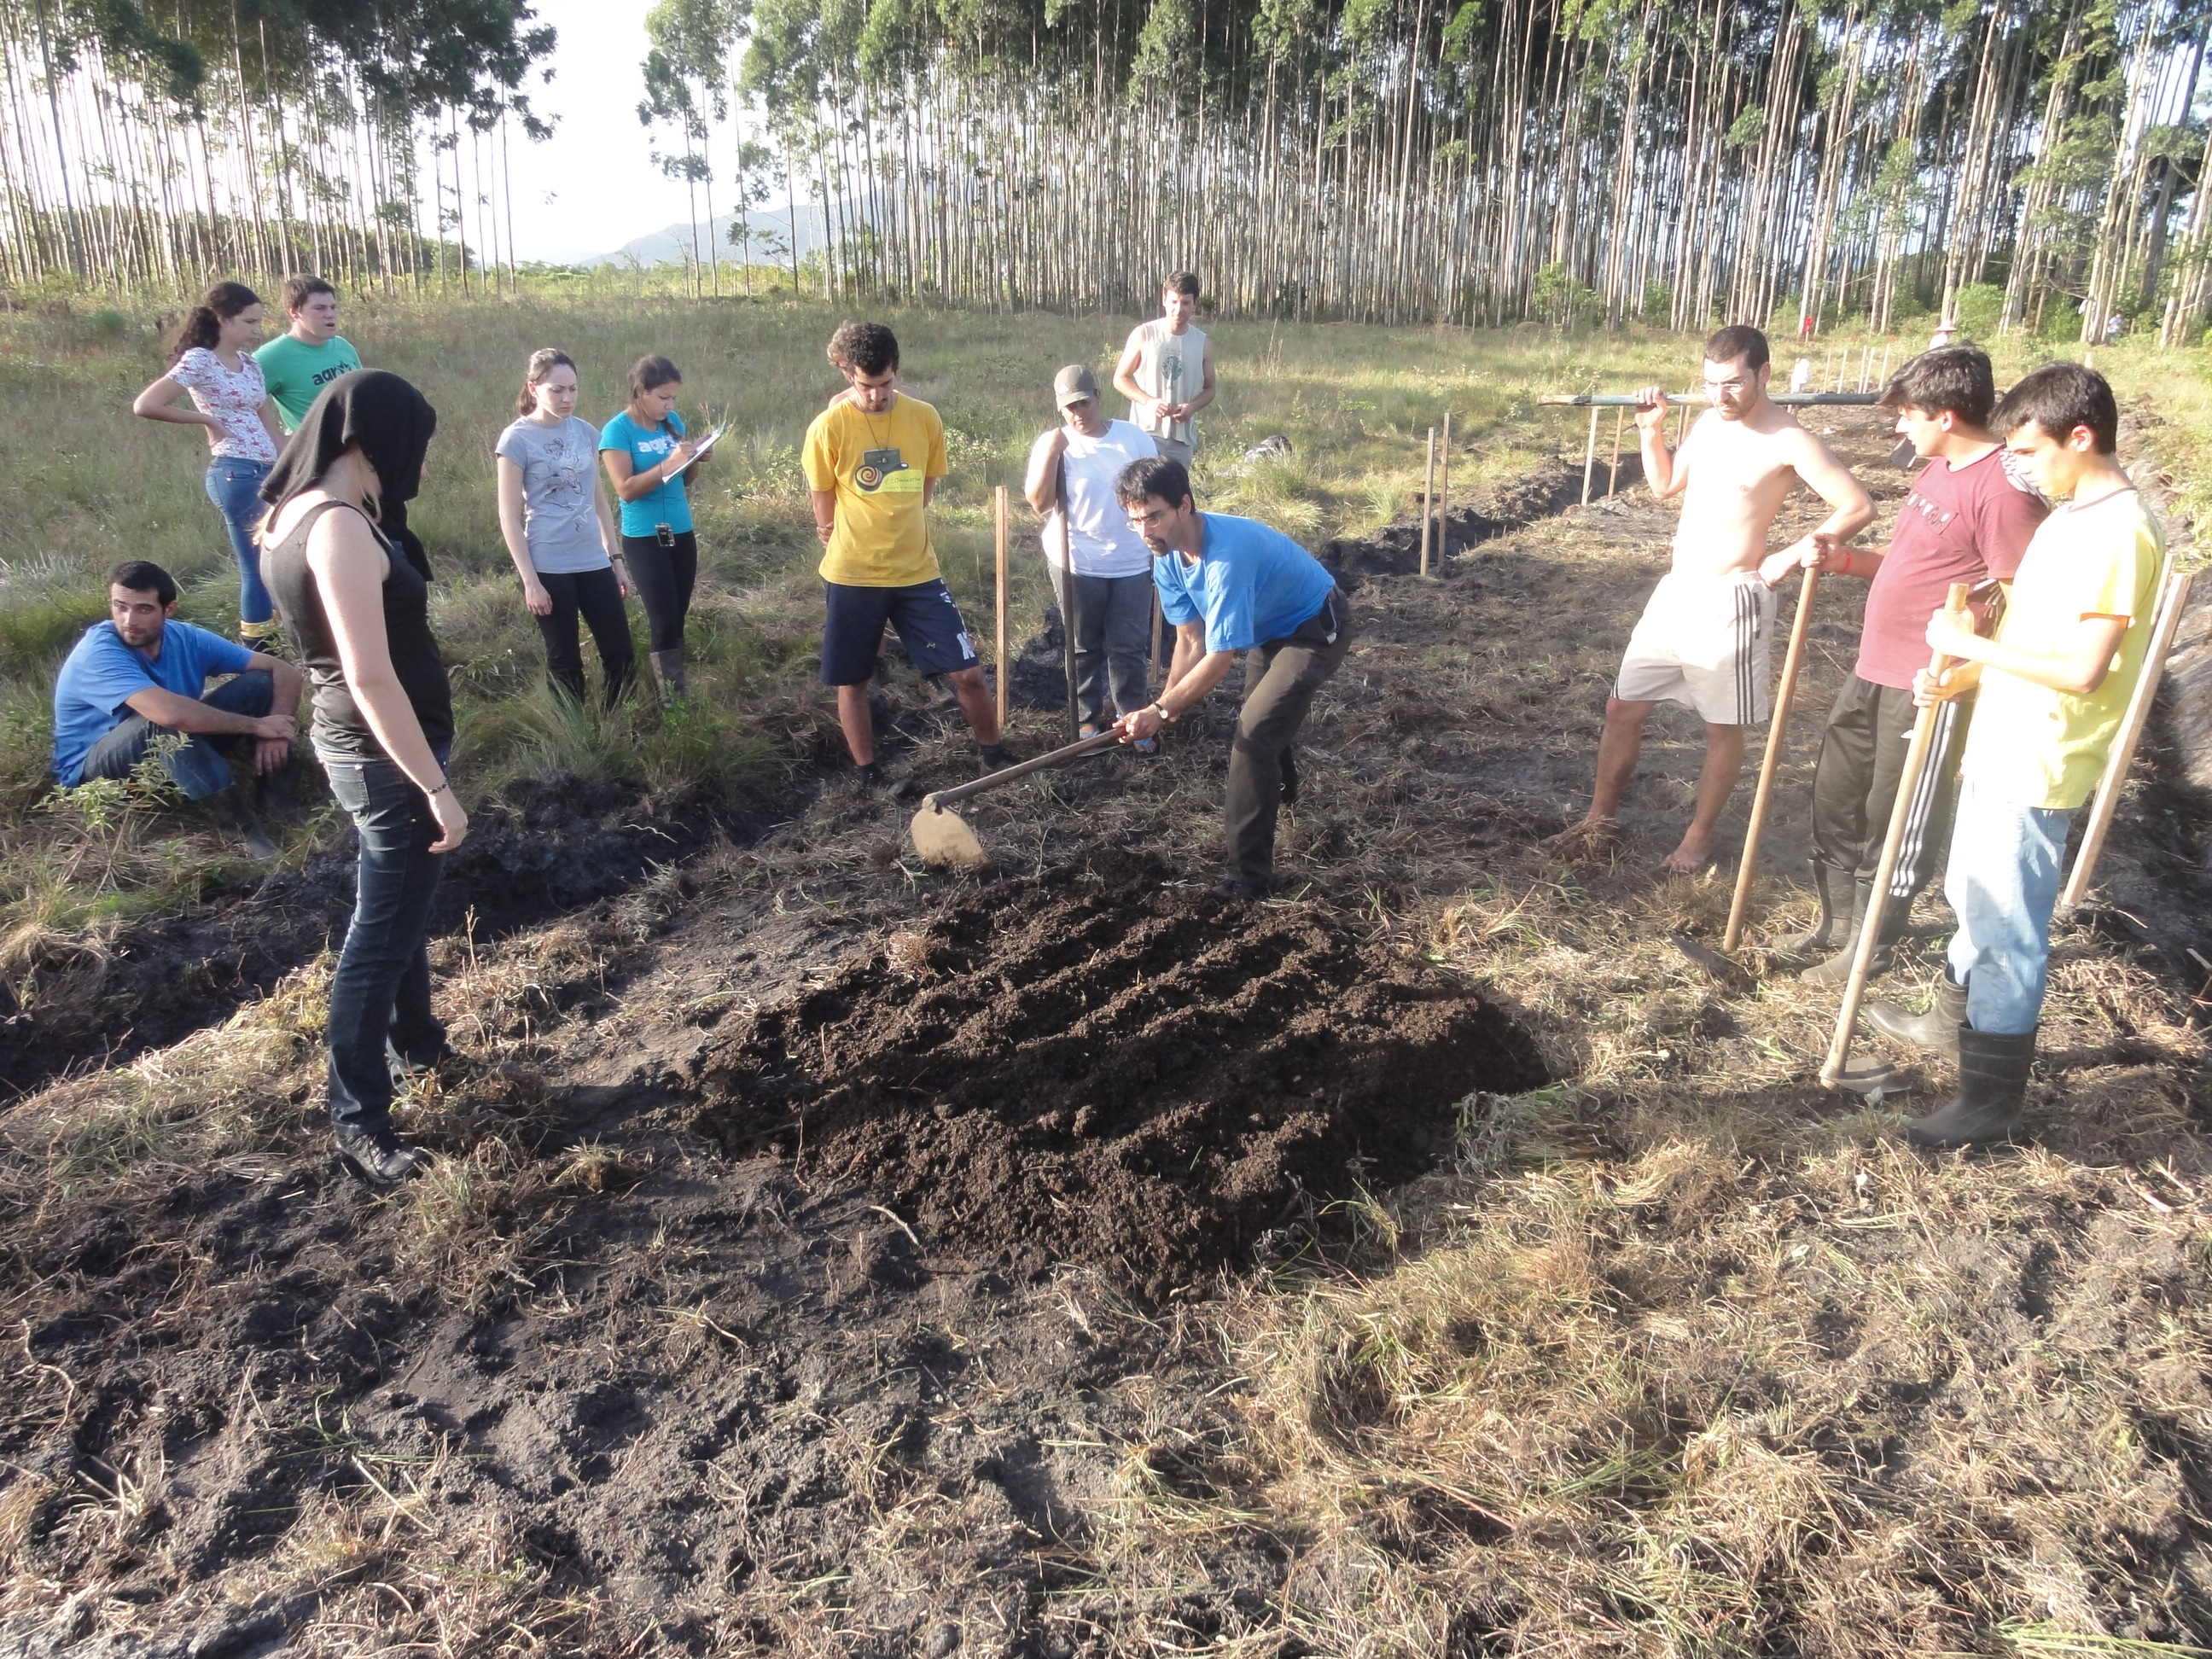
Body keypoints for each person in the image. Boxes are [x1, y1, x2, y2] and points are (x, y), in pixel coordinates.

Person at [1860, 364, 2168, 1148]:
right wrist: (1962, 674)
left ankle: (1989, 1103)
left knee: (2007, 928)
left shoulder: (2120, 533)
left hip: (2042, 755)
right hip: (2001, 739)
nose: (2018, 468)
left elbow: (2083, 668)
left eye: (2029, 453)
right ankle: (1948, 1023)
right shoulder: (2070, 516)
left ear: (2081, 437)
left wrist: (1963, 641)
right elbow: (2031, 639)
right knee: (1972, 897)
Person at [1540, 324, 1876, 873]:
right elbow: (1665, 486)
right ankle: (1600, 817)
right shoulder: (1707, 422)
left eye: (1734, 384)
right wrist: (1651, 432)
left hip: (1732, 601)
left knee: (1721, 728)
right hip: (1676, 593)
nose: (1721, 395)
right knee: (1621, 709)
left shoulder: (1789, 440)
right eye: (1711, 383)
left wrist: (1788, 557)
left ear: (1764, 374)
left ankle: (1697, 837)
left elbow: (1858, 507)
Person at [1780, 346, 2045, 984]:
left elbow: (2022, 604)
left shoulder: (2004, 491)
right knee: (1837, 798)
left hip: (1929, 685)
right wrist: (1845, 560)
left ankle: (1873, 942)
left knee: (1895, 816)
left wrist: (1963, 674)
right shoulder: (1937, 471)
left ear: (1947, 415)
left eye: (1908, 415)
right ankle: (1837, 924)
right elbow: (1911, 562)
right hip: (1873, 666)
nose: (1900, 427)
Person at [259, 370, 463, 1185]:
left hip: (355, 748)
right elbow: (369, 674)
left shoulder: (286, 514)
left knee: (402, 913)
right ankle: (359, 1121)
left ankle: (419, 1047)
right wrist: (434, 787)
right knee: (377, 939)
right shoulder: (338, 527)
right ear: (363, 439)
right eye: (409, 441)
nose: (413, 459)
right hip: (383, 757)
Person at [1111, 455, 1349, 900]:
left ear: (1184, 505)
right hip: (1268, 630)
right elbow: (1189, 641)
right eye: (1135, 521)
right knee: (1264, 719)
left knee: (1254, 733)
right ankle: (1279, 793)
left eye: (1154, 517)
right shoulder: (1166, 555)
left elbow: (1219, 659)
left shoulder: (1226, 555)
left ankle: (1248, 877)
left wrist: (1162, 710)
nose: (1145, 532)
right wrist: (1165, 703)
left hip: (1314, 627)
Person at [803, 321, 1009, 783]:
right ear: (846, 375)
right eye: (865, 386)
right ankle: (868, 773)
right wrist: (828, 528)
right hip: (853, 573)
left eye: (885, 384)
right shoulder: (828, 427)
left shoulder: (924, 417)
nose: (876, 396)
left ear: (897, 371)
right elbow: (822, 498)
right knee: (853, 680)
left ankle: (994, 754)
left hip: (917, 572)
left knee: (969, 673)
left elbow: (925, 490)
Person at [51, 559, 303, 860]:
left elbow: (285, 672)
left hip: (168, 746)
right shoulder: (98, 651)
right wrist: (256, 725)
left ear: (168, 610)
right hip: (96, 772)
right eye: (120, 607)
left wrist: (275, 733)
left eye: (143, 609)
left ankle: (277, 803)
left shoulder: (185, 637)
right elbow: (169, 715)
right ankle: (244, 834)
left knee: (261, 683)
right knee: (161, 724)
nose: (129, 620)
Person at [131, 282, 287, 648]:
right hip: (235, 470)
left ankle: (280, 632)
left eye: (259, 322)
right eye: (248, 322)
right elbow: (147, 404)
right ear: (222, 319)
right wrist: (206, 420)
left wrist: (290, 461)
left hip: (267, 468)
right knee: (257, 563)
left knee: (278, 556)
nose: (256, 330)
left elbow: (270, 425)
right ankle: (258, 644)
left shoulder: (250, 364)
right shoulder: (200, 359)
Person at [1024, 364, 1160, 747]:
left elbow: (1154, 492)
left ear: (1099, 397)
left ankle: (1131, 718)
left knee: (1128, 645)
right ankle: (1086, 719)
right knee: (1083, 645)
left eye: (1084, 403)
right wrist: (1052, 452)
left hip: (1131, 560)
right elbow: (1039, 503)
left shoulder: (1132, 440)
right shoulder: (1053, 444)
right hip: (1077, 561)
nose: (1078, 413)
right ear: (1059, 408)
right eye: (1069, 407)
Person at [498, 349, 634, 707]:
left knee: (621, 654)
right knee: (566, 661)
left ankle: (616, 727)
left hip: (593, 560)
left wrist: (615, 559)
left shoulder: (586, 432)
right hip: (548, 563)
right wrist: (531, 582)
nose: (567, 398)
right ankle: (574, 738)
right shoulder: (516, 439)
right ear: (534, 388)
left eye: (573, 389)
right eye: (557, 390)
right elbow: (509, 516)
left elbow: (600, 502)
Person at [599, 354, 707, 702]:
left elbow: (684, 480)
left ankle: (679, 690)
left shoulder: (672, 422)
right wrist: (667, 463)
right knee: (662, 620)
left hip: (681, 529)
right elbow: (625, 489)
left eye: (674, 398)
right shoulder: (617, 430)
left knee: (678, 615)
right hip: (645, 536)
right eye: (663, 397)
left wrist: (694, 458)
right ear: (640, 391)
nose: (669, 405)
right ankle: (672, 702)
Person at [1113, 271, 1216, 468]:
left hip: (1181, 439)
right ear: (1164, 300)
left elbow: (1211, 388)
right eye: (1174, 302)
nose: (1179, 309)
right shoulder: (1144, 334)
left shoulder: (1203, 343)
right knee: (1142, 494)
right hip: (1145, 434)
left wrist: (1192, 407)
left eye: (1186, 303)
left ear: (1195, 304)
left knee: (1176, 496)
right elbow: (1120, 379)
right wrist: (1149, 402)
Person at [253, 275, 362, 432]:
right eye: (320, 308)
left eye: (333, 307)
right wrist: (278, 442)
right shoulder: (271, 357)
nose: (330, 314)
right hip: (313, 452)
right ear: (294, 312)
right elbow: (240, 406)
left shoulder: (343, 346)